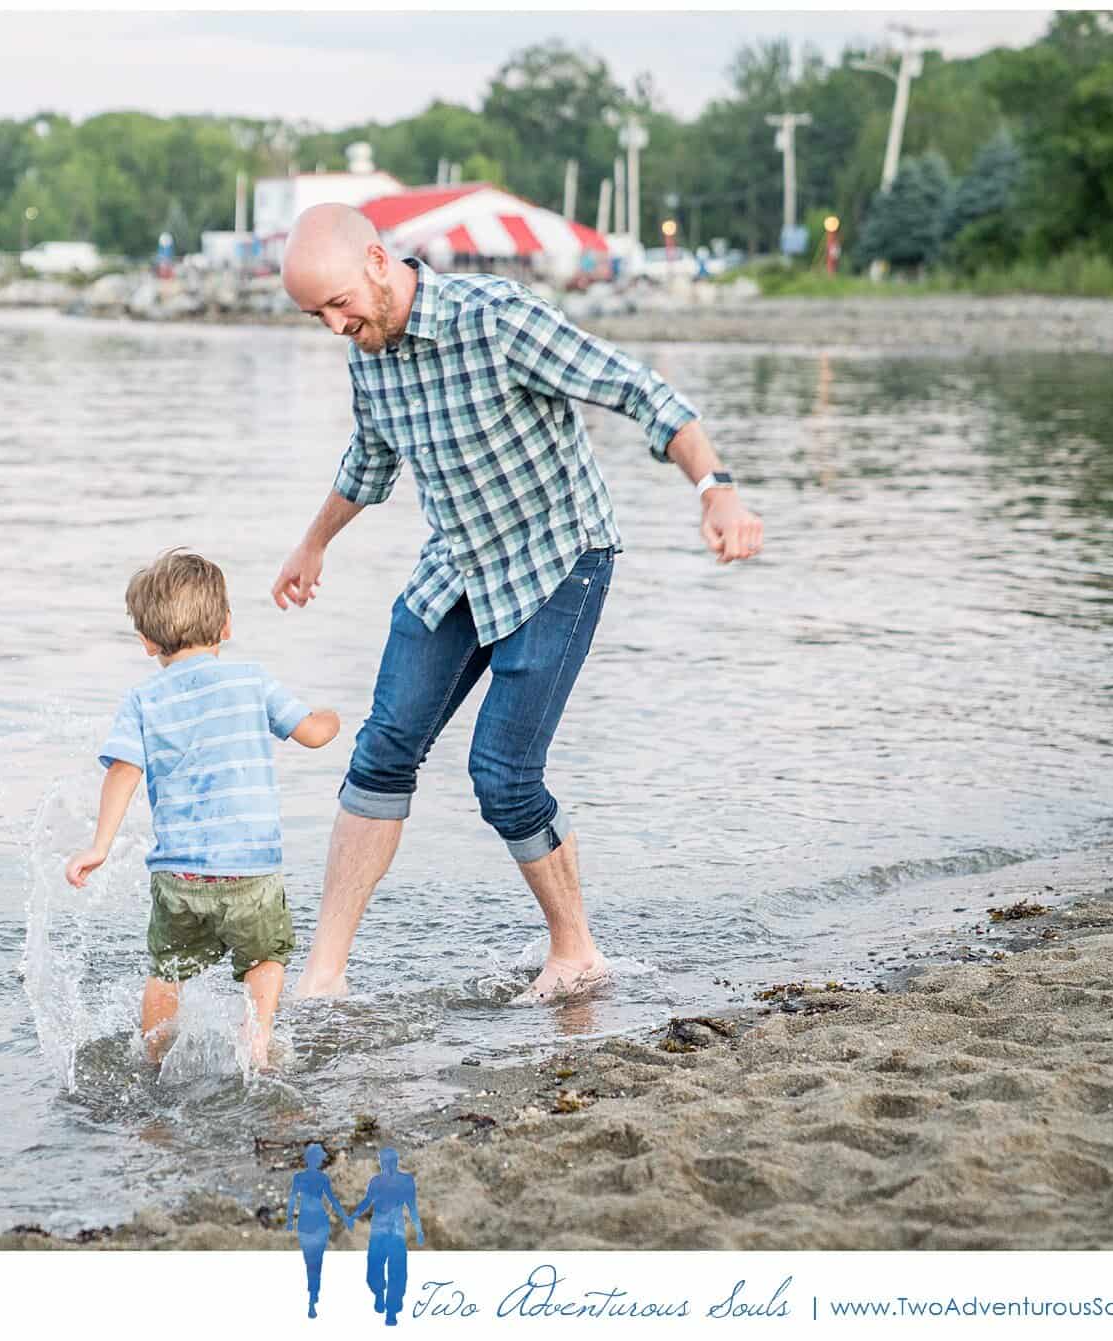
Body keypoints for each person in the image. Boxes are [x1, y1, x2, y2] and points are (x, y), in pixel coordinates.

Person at [272, 204, 763, 1004]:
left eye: (337, 303)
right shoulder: (369, 349)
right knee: (384, 747)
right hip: (460, 560)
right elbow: (369, 458)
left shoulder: (496, 319)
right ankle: (324, 975)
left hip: (558, 557)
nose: (333, 326)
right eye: (315, 315)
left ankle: (575, 951)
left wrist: (717, 491)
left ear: (374, 259)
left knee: (501, 773)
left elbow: (639, 391)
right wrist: (313, 543)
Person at [64, 549, 341, 1068]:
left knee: (166, 971)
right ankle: (256, 1042)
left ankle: (153, 1057)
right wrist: (332, 718)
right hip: (251, 871)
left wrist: (98, 846)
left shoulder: (143, 700)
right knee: (265, 956)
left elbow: (122, 770)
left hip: (180, 876)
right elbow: (312, 734)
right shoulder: (252, 681)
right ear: (227, 626)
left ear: (147, 642)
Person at [349, 1147, 423, 1326]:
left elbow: (412, 1208)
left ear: (395, 1162)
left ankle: (392, 1311)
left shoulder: (406, 1181)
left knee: (397, 1272)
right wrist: (353, 1215)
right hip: (378, 1230)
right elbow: (368, 1201)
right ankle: (379, 1293)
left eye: (388, 1161)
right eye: (383, 1161)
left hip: (397, 1231)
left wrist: (419, 1230)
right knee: (374, 1269)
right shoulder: (376, 1182)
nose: (385, 1165)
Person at [286, 1142, 349, 1318]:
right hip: (315, 1219)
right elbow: (333, 1201)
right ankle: (312, 1298)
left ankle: (313, 1299)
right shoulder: (314, 1178)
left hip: (310, 1219)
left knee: (312, 1261)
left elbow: (293, 1201)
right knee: (314, 1261)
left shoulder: (303, 1177)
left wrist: (290, 1221)